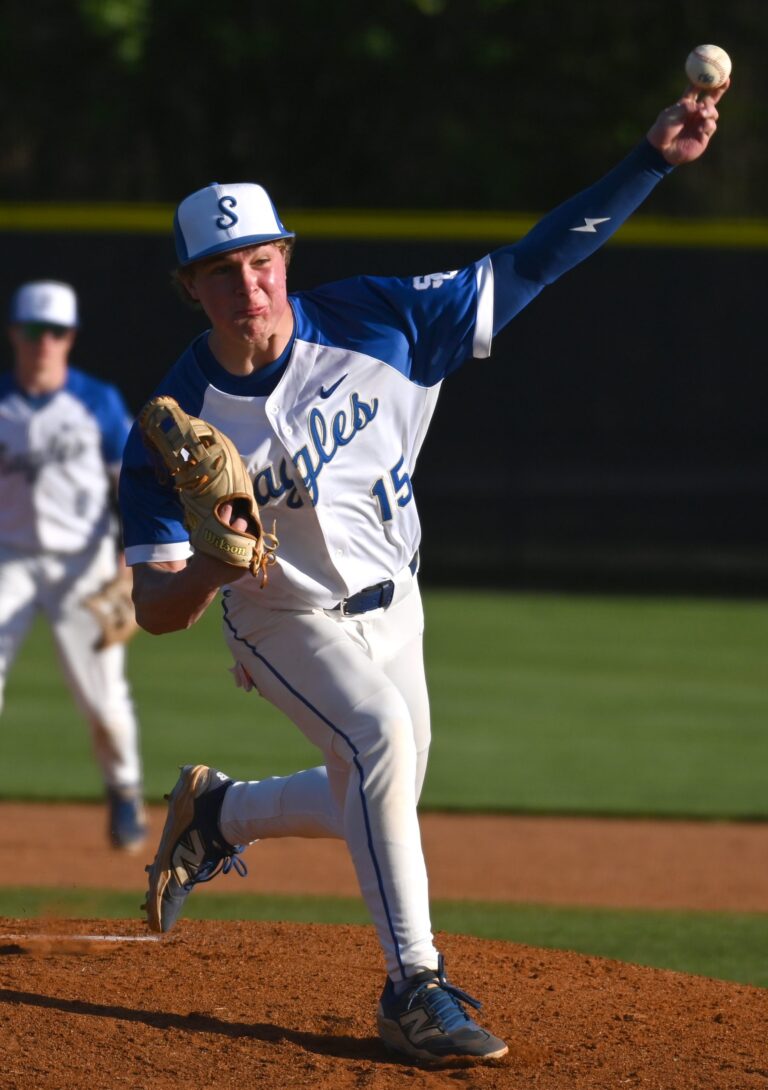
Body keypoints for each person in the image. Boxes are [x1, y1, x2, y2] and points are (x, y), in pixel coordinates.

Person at [120, 81, 727, 1062]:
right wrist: (210, 572)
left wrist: (651, 160)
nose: (249, 286)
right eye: (222, 271)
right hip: (282, 620)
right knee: (378, 737)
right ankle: (415, 987)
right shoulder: (170, 426)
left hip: (397, 602)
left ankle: (219, 812)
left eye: (263, 261)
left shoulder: (382, 322)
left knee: (383, 784)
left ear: (287, 258)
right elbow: (153, 606)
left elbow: (534, 261)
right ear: (189, 286)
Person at [1, 280, 147, 852]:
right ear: (15, 333)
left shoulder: (96, 402)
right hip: (9, 559)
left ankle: (125, 790)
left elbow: (135, 483)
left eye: (56, 332)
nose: (45, 343)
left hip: (82, 565)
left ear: (71, 337)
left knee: (103, 699)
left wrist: (129, 564)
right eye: (35, 331)